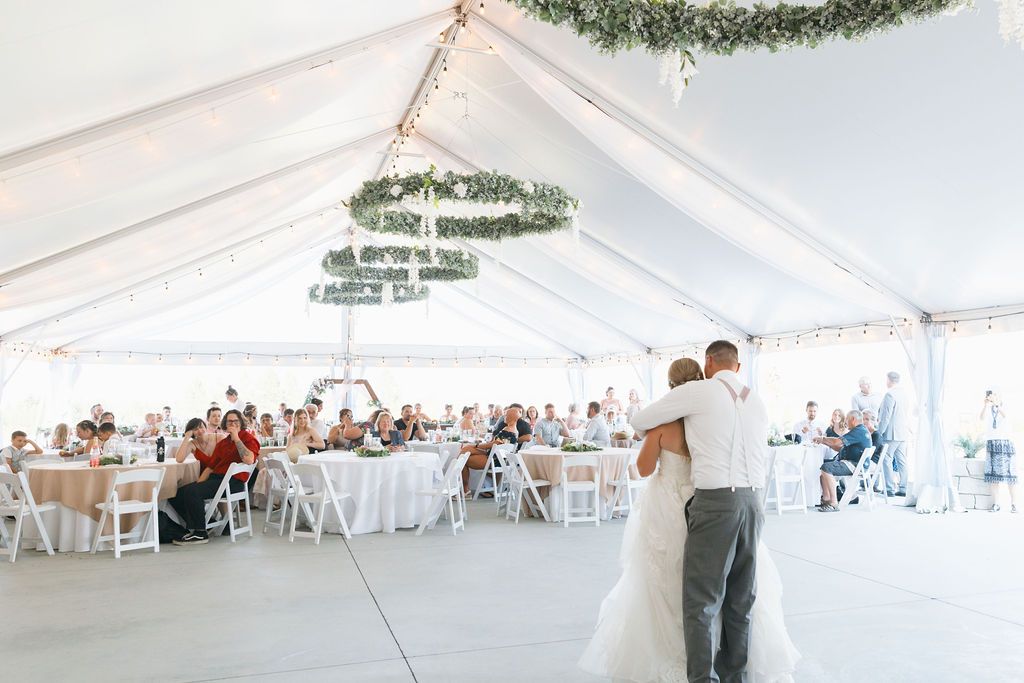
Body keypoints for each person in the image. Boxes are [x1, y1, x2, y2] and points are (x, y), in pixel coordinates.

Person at [580, 357, 798, 682]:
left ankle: (692, 670)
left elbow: (642, 467)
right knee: (736, 594)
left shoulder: (665, 423)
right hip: (734, 502)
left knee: (687, 592)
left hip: (686, 508)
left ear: (671, 386)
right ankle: (733, 670)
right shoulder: (715, 415)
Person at [628, 342, 778, 682]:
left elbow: (639, 419)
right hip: (754, 503)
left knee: (701, 602)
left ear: (709, 361)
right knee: (741, 598)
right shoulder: (756, 399)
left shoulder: (700, 391)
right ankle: (735, 676)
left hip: (715, 503)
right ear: (737, 367)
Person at [168, 409, 258, 545]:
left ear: (241, 423)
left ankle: (200, 533)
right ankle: (207, 523)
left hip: (233, 483)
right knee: (177, 494)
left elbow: (249, 460)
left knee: (192, 492)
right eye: (229, 421)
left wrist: (237, 438)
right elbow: (210, 467)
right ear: (225, 424)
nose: (232, 424)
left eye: (235, 421)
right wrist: (197, 485)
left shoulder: (248, 438)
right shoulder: (223, 443)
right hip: (217, 480)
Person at [459, 405, 532, 494]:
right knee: (466, 450)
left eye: (506, 415)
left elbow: (494, 444)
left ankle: (463, 489)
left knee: (463, 459)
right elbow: (496, 444)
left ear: (512, 417)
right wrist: (476, 446)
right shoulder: (514, 430)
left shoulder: (508, 429)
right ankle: (463, 489)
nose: (504, 417)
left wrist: (477, 446)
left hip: (494, 460)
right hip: (497, 458)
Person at [815, 410, 873, 511]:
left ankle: (833, 503)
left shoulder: (858, 430)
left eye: (847, 419)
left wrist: (823, 438)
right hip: (855, 463)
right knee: (824, 469)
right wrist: (823, 441)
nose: (845, 421)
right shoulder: (860, 430)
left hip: (855, 465)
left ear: (853, 420)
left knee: (826, 468)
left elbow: (837, 442)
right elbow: (839, 447)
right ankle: (826, 500)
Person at [982, 391, 1018, 513]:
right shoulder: (988, 408)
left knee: (1010, 476)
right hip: (992, 443)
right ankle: (996, 504)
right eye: (990, 395)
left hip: (1005, 443)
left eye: (994, 394)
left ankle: (1014, 504)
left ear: (999, 396)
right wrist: (985, 405)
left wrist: (997, 404)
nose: (992, 397)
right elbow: (981, 418)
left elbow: (1007, 416)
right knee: (993, 477)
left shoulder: (1006, 405)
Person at [876, 370, 911, 497]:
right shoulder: (904, 394)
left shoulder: (890, 395)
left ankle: (889, 489)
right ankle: (903, 488)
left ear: (889, 380)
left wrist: (879, 432)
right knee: (902, 461)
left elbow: (885, 417)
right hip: (903, 433)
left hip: (891, 434)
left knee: (886, 459)